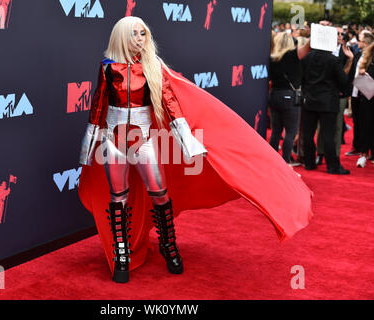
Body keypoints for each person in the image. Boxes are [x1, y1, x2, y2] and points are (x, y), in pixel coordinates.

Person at [78, 16, 313, 283]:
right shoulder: (108, 66)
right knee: (118, 197)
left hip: (144, 139)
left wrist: (188, 142)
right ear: (121, 36)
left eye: (143, 34)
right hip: (114, 140)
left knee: (160, 194)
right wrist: (88, 147)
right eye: (134, 34)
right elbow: (98, 105)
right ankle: (121, 253)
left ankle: (169, 246)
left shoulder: (153, 66)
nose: (140, 39)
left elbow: (171, 104)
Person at [301, 39, 354, 174]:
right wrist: (349, 60)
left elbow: (301, 78)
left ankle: (309, 163)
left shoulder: (307, 58)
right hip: (328, 103)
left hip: (310, 101)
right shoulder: (333, 60)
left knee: (308, 134)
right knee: (328, 135)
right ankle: (332, 167)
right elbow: (343, 80)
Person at [268, 32, 310, 165]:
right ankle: (285, 164)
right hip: (289, 97)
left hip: (274, 95)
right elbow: (310, 45)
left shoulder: (271, 58)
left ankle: (272, 162)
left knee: (275, 131)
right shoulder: (293, 56)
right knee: (291, 132)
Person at [354, 41, 374, 168]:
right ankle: (364, 154)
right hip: (367, 96)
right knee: (365, 125)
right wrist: (361, 73)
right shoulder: (367, 56)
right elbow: (357, 76)